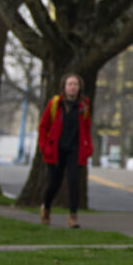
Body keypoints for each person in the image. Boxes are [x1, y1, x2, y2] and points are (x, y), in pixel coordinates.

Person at [37, 73, 93, 228]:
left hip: (75, 150)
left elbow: (87, 129)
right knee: (54, 182)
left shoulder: (84, 106)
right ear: (64, 87)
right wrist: (44, 147)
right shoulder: (55, 104)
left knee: (74, 182)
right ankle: (46, 207)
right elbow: (43, 127)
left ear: (79, 87)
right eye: (70, 84)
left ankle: (73, 217)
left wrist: (88, 147)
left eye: (75, 84)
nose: (73, 87)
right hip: (56, 151)